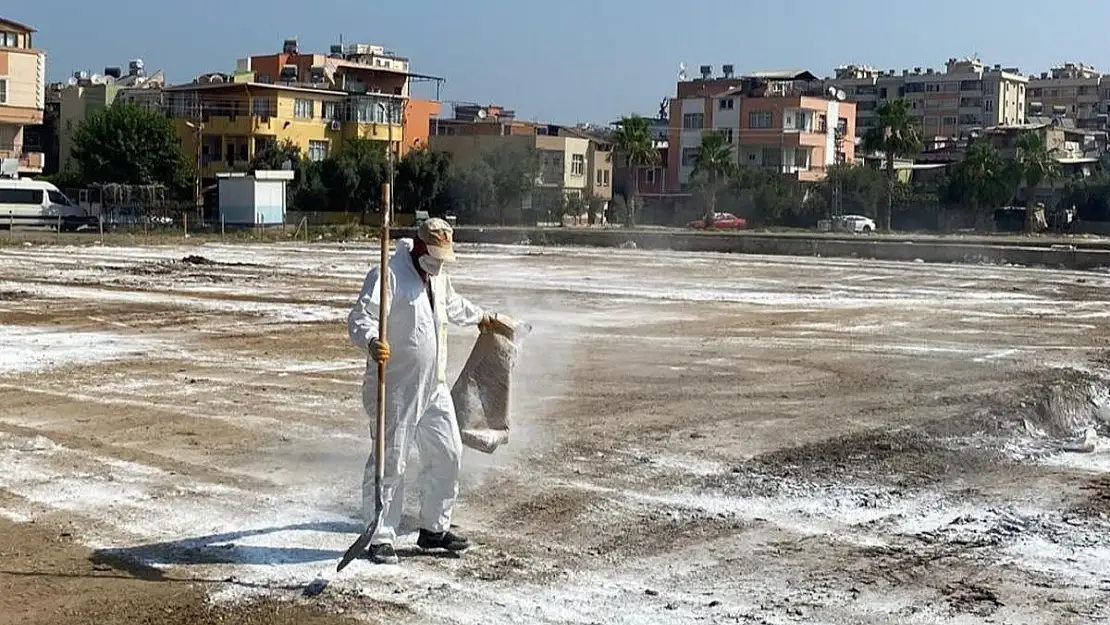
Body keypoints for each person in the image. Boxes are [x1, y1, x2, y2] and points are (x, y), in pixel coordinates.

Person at [347, 217, 497, 565]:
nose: (439, 263)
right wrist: (371, 342)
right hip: (396, 385)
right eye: (435, 255)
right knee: (391, 460)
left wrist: (480, 316)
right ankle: (380, 534)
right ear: (418, 246)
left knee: (449, 452)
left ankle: (434, 529)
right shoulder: (388, 275)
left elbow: (452, 305)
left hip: (435, 384)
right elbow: (360, 317)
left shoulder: (438, 274)